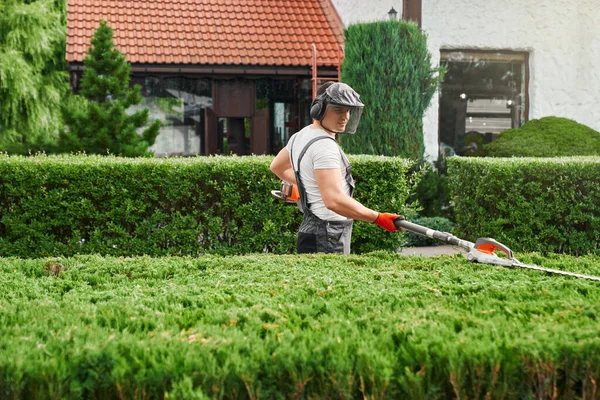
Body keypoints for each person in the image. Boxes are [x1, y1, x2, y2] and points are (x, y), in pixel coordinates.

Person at [269, 81, 402, 254]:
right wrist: (378, 218)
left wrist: (309, 184)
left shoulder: (300, 135)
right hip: (329, 235)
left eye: (349, 110)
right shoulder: (325, 147)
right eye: (339, 109)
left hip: (310, 231)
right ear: (318, 109)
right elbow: (333, 200)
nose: (345, 117)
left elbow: (277, 167)